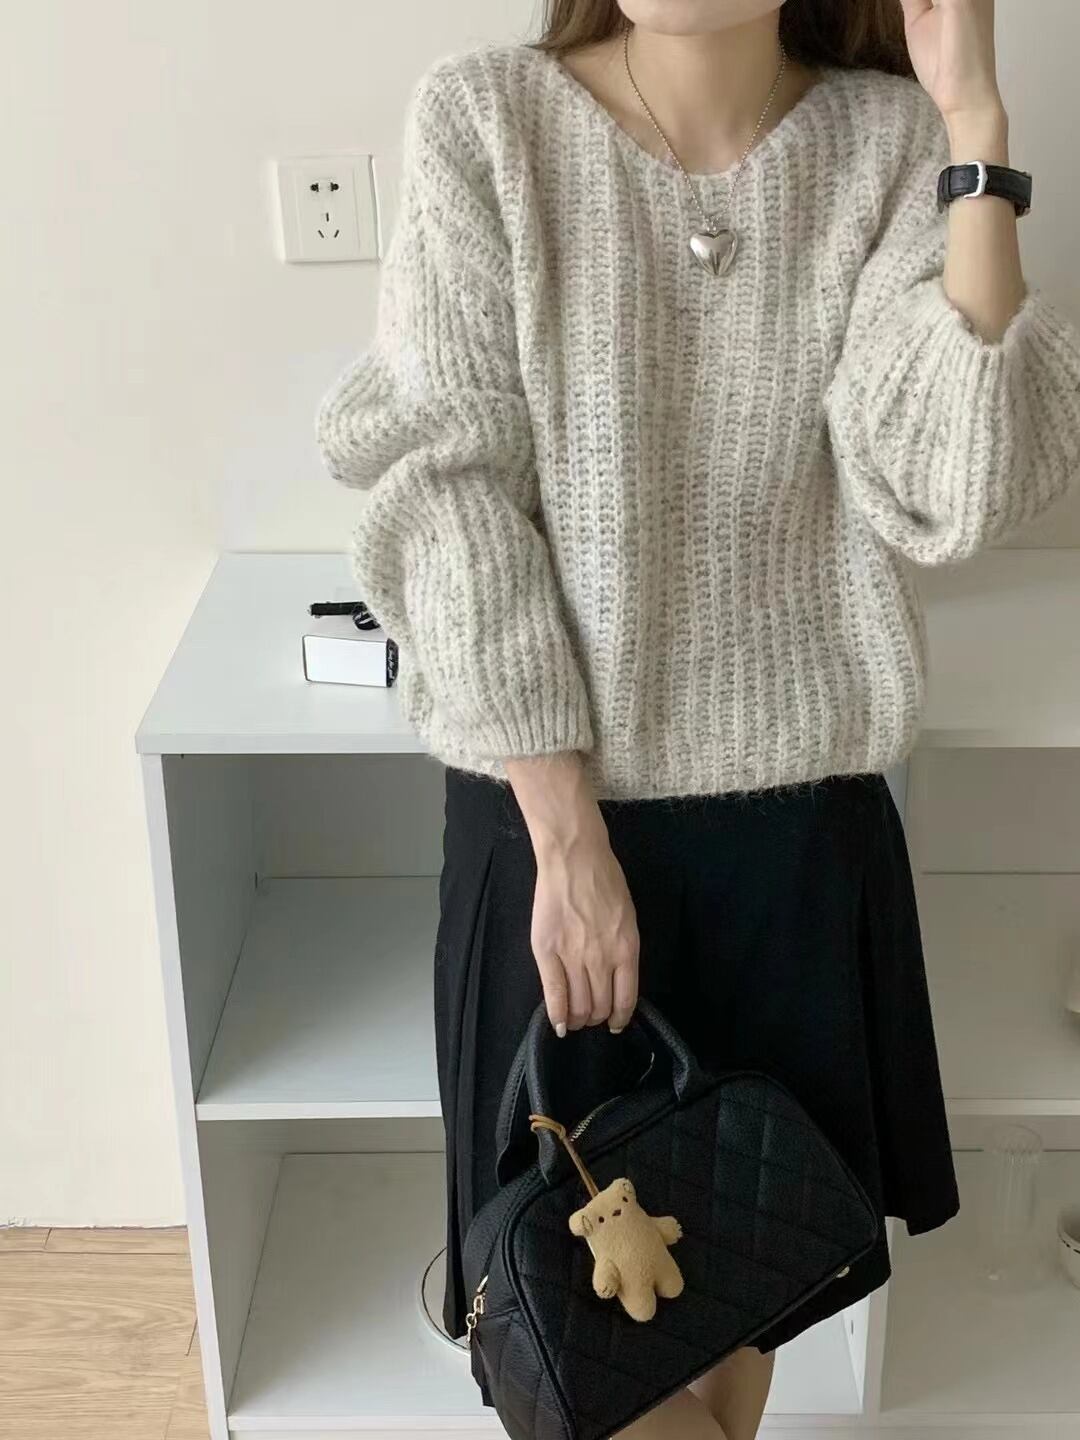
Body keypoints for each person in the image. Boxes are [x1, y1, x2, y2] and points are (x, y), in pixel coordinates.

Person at [316, 1, 1080, 1435]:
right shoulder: (488, 120)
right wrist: (568, 840)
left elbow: (954, 483)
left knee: (734, 1327)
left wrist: (976, 131)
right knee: (577, 1366)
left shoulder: (884, 142)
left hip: (795, 846)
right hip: (554, 832)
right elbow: (448, 488)